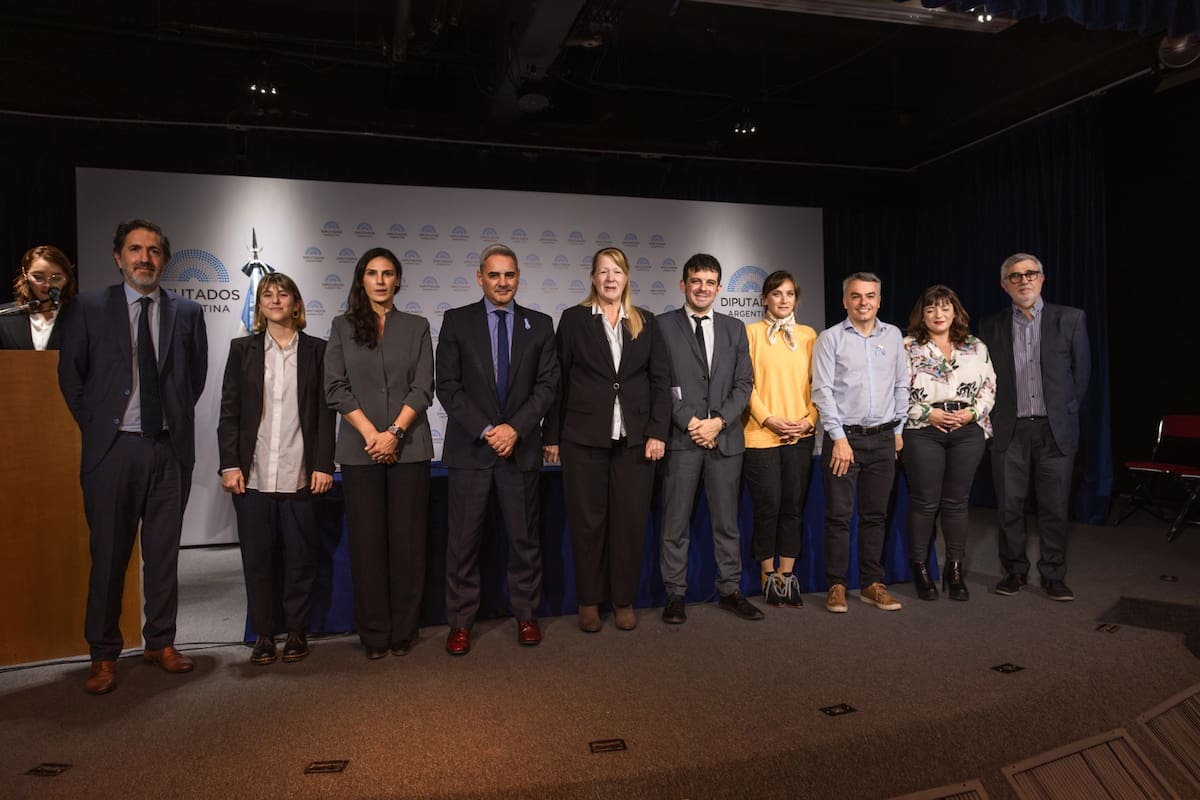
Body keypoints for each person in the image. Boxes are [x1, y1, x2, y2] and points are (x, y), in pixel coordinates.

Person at [57, 219, 208, 694]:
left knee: (163, 557)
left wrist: (172, 422)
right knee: (109, 558)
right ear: (118, 257)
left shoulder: (187, 312)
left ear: (165, 259)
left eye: (154, 251)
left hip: (168, 450)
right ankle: (102, 655)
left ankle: (160, 642)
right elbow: (71, 377)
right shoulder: (88, 307)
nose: (145, 258)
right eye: (135, 250)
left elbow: (195, 377)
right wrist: (101, 427)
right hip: (113, 452)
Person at [436, 244, 559, 655]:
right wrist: (489, 429)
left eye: (509, 275)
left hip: (520, 452)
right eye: (494, 275)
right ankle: (460, 623)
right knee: (463, 545)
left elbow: (547, 387)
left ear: (518, 277)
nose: (502, 282)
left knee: (525, 542)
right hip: (471, 452)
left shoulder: (540, 325)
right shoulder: (456, 321)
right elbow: (448, 387)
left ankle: (526, 615)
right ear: (480, 277)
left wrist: (515, 429)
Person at [543, 247, 670, 632]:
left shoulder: (645, 321)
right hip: (583, 440)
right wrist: (552, 437)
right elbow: (557, 382)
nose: (610, 278)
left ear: (627, 277)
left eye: (617, 271)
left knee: (629, 524)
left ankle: (624, 601)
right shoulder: (574, 319)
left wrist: (657, 432)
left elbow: (660, 382)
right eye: (603, 272)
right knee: (587, 524)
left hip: (635, 443)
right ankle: (589, 601)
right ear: (593, 279)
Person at [217, 272, 336, 665]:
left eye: (283, 293)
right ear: (260, 305)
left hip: (302, 475)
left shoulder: (318, 351)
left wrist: (322, 465)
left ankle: (297, 633)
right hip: (253, 477)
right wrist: (230, 463)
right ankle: (265, 635)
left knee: (301, 559)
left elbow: (324, 415)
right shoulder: (242, 350)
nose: (275, 299)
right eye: (268, 294)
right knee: (258, 558)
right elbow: (230, 412)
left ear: (296, 305)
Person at [325, 247, 434, 658]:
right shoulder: (342, 326)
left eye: (389, 273)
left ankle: (404, 632)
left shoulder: (418, 326)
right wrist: (374, 434)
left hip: (409, 450)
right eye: (373, 273)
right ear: (361, 280)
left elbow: (423, 387)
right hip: (359, 450)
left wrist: (394, 433)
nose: (381, 280)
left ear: (399, 280)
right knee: (368, 547)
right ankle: (374, 634)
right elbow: (335, 388)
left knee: (407, 546)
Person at [981, 253, 1089, 601]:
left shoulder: (1070, 319)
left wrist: (1065, 413)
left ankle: (1054, 575)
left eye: (1031, 274)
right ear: (1005, 285)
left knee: (1054, 508)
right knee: (1010, 506)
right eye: (1015, 276)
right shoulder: (991, 326)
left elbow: (1081, 375)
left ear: (1042, 279)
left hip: (1054, 430)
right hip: (1009, 431)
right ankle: (1014, 571)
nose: (1024, 280)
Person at [656, 254, 756, 624]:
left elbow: (744, 383)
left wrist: (717, 422)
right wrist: (691, 422)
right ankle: (675, 594)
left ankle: (730, 589)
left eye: (710, 282)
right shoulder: (662, 326)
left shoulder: (734, 328)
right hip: (681, 441)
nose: (703, 288)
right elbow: (659, 382)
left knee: (727, 523)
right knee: (675, 524)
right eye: (696, 281)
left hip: (725, 440)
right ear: (683, 285)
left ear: (718, 288)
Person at [812, 272, 908, 614]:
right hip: (845, 440)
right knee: (839, 516)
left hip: (883, 438)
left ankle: (871, 584)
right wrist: (838, 439)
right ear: (845, 301)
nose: (863, 302)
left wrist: (898, 430)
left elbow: (901, 386)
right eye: (856, 296)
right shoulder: (830, 338)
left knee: (875, 516)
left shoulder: (894, 336)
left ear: (879, 300)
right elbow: (821, 392)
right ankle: (836, 586)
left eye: (870, 296)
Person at [902, 285, 996, 602]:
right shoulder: (907, 347)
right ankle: (921, 569)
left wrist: (971, 413)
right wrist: (928, 413)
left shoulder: (975, 346)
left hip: (967, 430)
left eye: (944, 308)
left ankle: (954, 570)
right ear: (922, 314)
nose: (938, 314)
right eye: (931, 309)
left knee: (957, 502)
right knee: (925, 502)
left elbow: (989, 386)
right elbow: (894, 392)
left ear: (955, 311)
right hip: (922, 429)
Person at [742, 270, 819, 609]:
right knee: (768, 506)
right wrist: (768, 419)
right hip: (761, 435)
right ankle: (767, 573)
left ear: (796, 299)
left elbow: (820, 385)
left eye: (789, 294)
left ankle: (788, 574)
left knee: (793, 506)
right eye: (777, 294)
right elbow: (746, 385)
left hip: (799, 435)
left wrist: (807, 421)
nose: (783, 300)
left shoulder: (808, 335)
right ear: (765, 299)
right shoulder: (750, 334)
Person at [0, 245, 77, 350]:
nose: (47, 285)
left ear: (67, 278)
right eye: (38, 277)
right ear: (25, 274)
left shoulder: (80, 316)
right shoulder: (5, 316)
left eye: (56, 278)